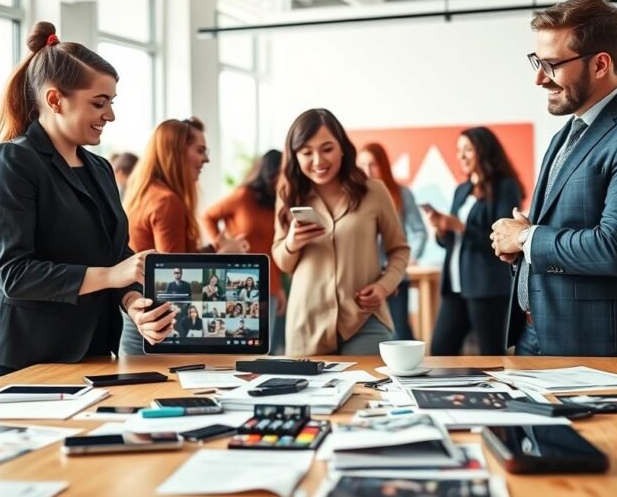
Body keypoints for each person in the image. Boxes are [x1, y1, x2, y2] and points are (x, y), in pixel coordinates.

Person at [0, 21, 176, 383]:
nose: (110, 115)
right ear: (54, 100)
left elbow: (115, 253)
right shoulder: (12, 163)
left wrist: (133, 304)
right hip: (21, 356)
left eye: (111, 103)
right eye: (99, 103)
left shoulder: (98, 167)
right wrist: (112, 276)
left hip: (91, 352)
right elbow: (15, 275)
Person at [490, 0, 617, 357]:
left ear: (599, 65)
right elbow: (562, 230)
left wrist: (528, 238)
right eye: (536, 62)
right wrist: (520, 247)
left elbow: (615, 249)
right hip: (532, 336)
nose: (538, 79)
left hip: (592, 346)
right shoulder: (565, 134)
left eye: (551, 65)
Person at [272, 108, 410, 356]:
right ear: (295, 155)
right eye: (306, 153)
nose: (318, 161)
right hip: (307, 323)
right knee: (309, 395)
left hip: (364, 319)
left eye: (327, 149)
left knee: (369, 392)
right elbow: (283, 262)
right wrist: (291, 242)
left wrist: (384, 287)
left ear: (343, 147)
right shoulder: (288, 195)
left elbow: (399, 249)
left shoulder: (374, 191)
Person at [120, 117, 248, 354]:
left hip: (139, 320)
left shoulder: (146, 194)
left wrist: (215, 250)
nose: (206, 159)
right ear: (176, 153)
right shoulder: (166, 201)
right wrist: (222, 255)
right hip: (156, 329)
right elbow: (172, 273)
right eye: (200, 151)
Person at [426, 127, 523, 356]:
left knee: (491, 354)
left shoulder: (505, 187)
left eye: (468, 149)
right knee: (440, 349)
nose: (461, 156)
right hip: (455, 287)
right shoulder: (462, 190)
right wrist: (442, 230)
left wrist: (459, 226)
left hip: (486, 287)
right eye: (459, 150)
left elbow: (504, 240)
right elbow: (450, 243)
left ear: (484, 151)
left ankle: (497, 393)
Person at [201, 150, 288, 353]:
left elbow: (273, 249)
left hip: (269, 284)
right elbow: (207, 216)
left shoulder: (277, 204)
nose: (284, 180)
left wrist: (280, 288)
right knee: (237, 344)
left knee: (264, 349)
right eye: (280, 174)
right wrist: (221, 244)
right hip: (239, 281)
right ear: (268, 172)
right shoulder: (243, 196)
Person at [357, 143, 428, 341]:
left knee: (400, 330)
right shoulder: (356, 196)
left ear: (383, 165)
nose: (367, 171)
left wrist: (410, 257)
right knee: (367, 333)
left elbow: (419, 231)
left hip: (394, 274)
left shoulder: (401, 194)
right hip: (365, 277)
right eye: (362, 165)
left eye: (372, 164)